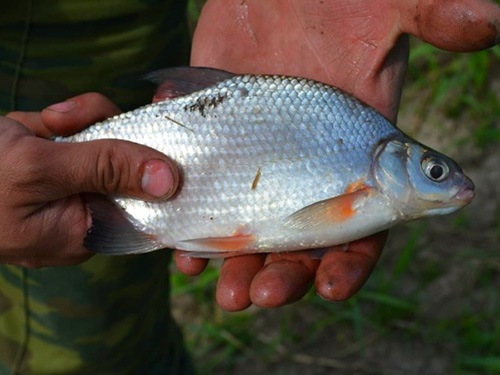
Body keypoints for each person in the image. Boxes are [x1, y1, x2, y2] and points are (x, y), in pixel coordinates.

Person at [0, 0, 498, 373]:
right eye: (434, 171)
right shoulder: (367, 158)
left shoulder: (367, 157)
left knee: (115, 326)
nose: (448, 180)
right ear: (392, 161)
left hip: (120, 17)